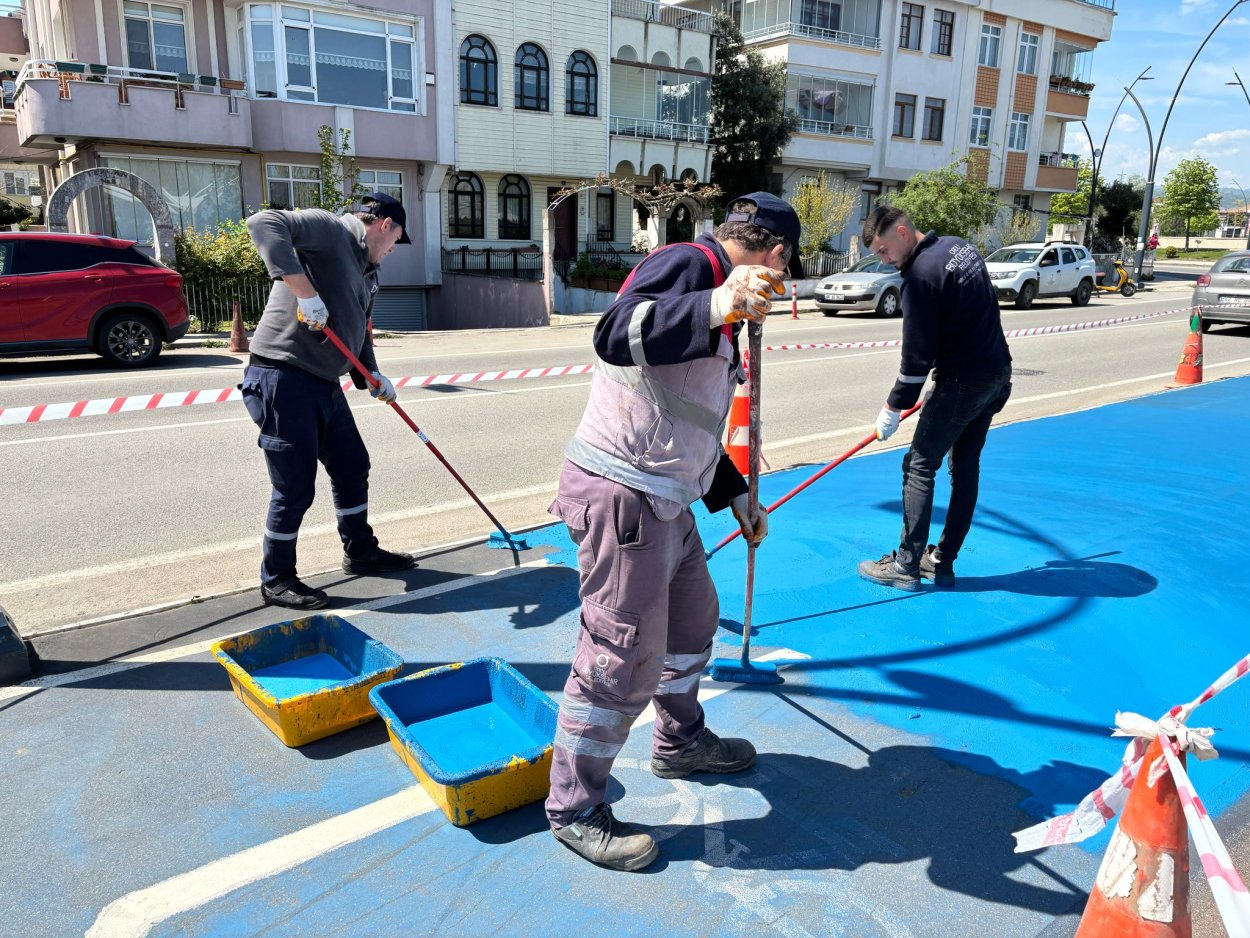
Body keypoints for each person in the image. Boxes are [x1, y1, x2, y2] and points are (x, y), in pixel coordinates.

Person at [545, 193, 803, 872]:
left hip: (666, 497)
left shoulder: (719, 290)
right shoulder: (690, 266)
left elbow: (681, 414)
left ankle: (679, 740)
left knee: (693, 624)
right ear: (776, 256)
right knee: (618, 657)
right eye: (786, 269)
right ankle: (574, 808)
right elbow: (615, 332)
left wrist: (733, 495)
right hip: (623, 494)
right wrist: (717, 305)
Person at [241, 192, 417, 610]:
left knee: (352, 464)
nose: (392, 251)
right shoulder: (333, 230)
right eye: (396, 241)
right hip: (283, 377)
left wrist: (371, 374)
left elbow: (360, 331)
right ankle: (277, 577)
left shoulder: (368, 270)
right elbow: (263, 223)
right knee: (295, 486)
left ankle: (360, 551)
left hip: (323, 382)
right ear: (385, 225)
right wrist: (303, 293)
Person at [856, 206, 1012, 591]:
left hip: (963, 381)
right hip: (996, 372)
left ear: (904, 232)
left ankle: (907, 565)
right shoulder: (961, 247)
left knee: (919, 466)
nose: (884, 259)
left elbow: (916, 356)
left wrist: (894, 406)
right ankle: (941, 561)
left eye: (884, 249)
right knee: (965, 467)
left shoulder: (921, 277)